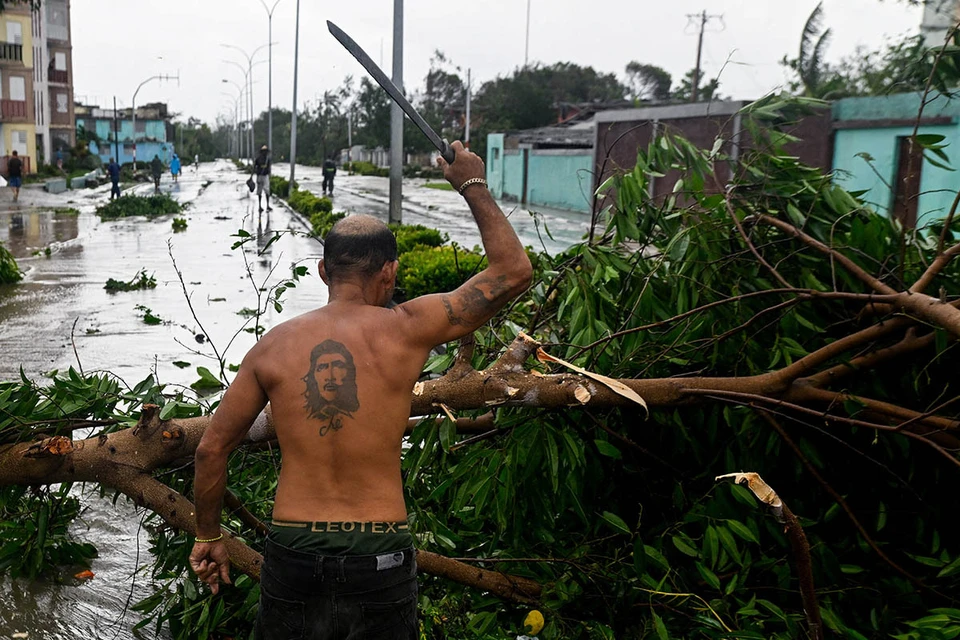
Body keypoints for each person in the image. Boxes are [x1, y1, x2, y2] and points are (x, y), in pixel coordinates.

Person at [189, 141, 532, 640]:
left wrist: (208, 535)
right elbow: (514, 272)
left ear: (324, 271)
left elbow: (210, 448)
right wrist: (472, 184)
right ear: (389, 272)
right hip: (380, 554)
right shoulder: (408, 328)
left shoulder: (273, 347)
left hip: (293, 552)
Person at [253, 145, 272, 213]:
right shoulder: (258, 159)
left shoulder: (268, 159)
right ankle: (260, 206)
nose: (265, 153)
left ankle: (267, 205)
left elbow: (269, 168)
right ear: (262, 152)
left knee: (267, 191)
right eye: (264, 151)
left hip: (265, 176)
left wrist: (270, 175)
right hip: (259, 176)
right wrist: (252, 176)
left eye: (265, 151)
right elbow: (254, 167)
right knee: (259, 191)